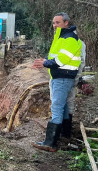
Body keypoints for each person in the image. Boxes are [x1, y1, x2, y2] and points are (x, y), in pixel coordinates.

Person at [31, 12, 82, 152]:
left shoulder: (69, 38)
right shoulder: (61, 37)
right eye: (53, 23)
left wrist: (45, 63)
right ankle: (63, 136)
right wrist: (45, 61)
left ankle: (50, 143)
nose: (54, 25)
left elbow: (60, 60)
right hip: (60, 77)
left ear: (66, 23)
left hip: (63, 77)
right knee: (63, 106)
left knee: (57, 107)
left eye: (57, 23)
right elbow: (55, 57)